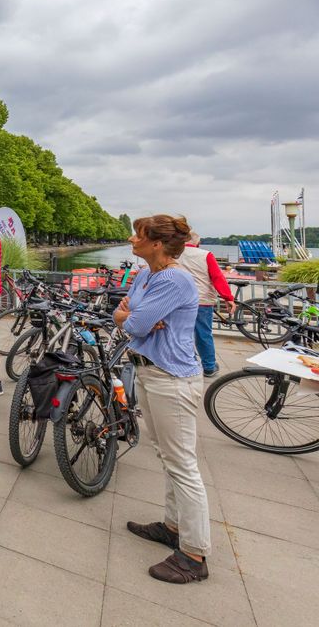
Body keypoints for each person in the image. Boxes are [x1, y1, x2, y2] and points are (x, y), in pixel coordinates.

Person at [114, 215, 210, 584]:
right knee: (167, 455)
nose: (131, 238)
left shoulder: (172, 278)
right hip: (151, 371)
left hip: (172, 377)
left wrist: (132, 316)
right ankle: (173, 527)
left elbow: (134, 324)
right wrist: (131, 315)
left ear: (156, 244)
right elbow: (125, 315)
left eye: (138, 234)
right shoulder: (146, 275)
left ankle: (194, 554)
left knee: (182, 463)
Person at [177, 231, 235, 377]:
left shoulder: (173, 254)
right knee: (203, 333)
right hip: (201, 300)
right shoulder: (205, 254)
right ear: (198, 243)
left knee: (180, 333)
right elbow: (217, 277)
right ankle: (209, 366)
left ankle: (187, 363)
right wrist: (228, 297)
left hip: (178, 301)